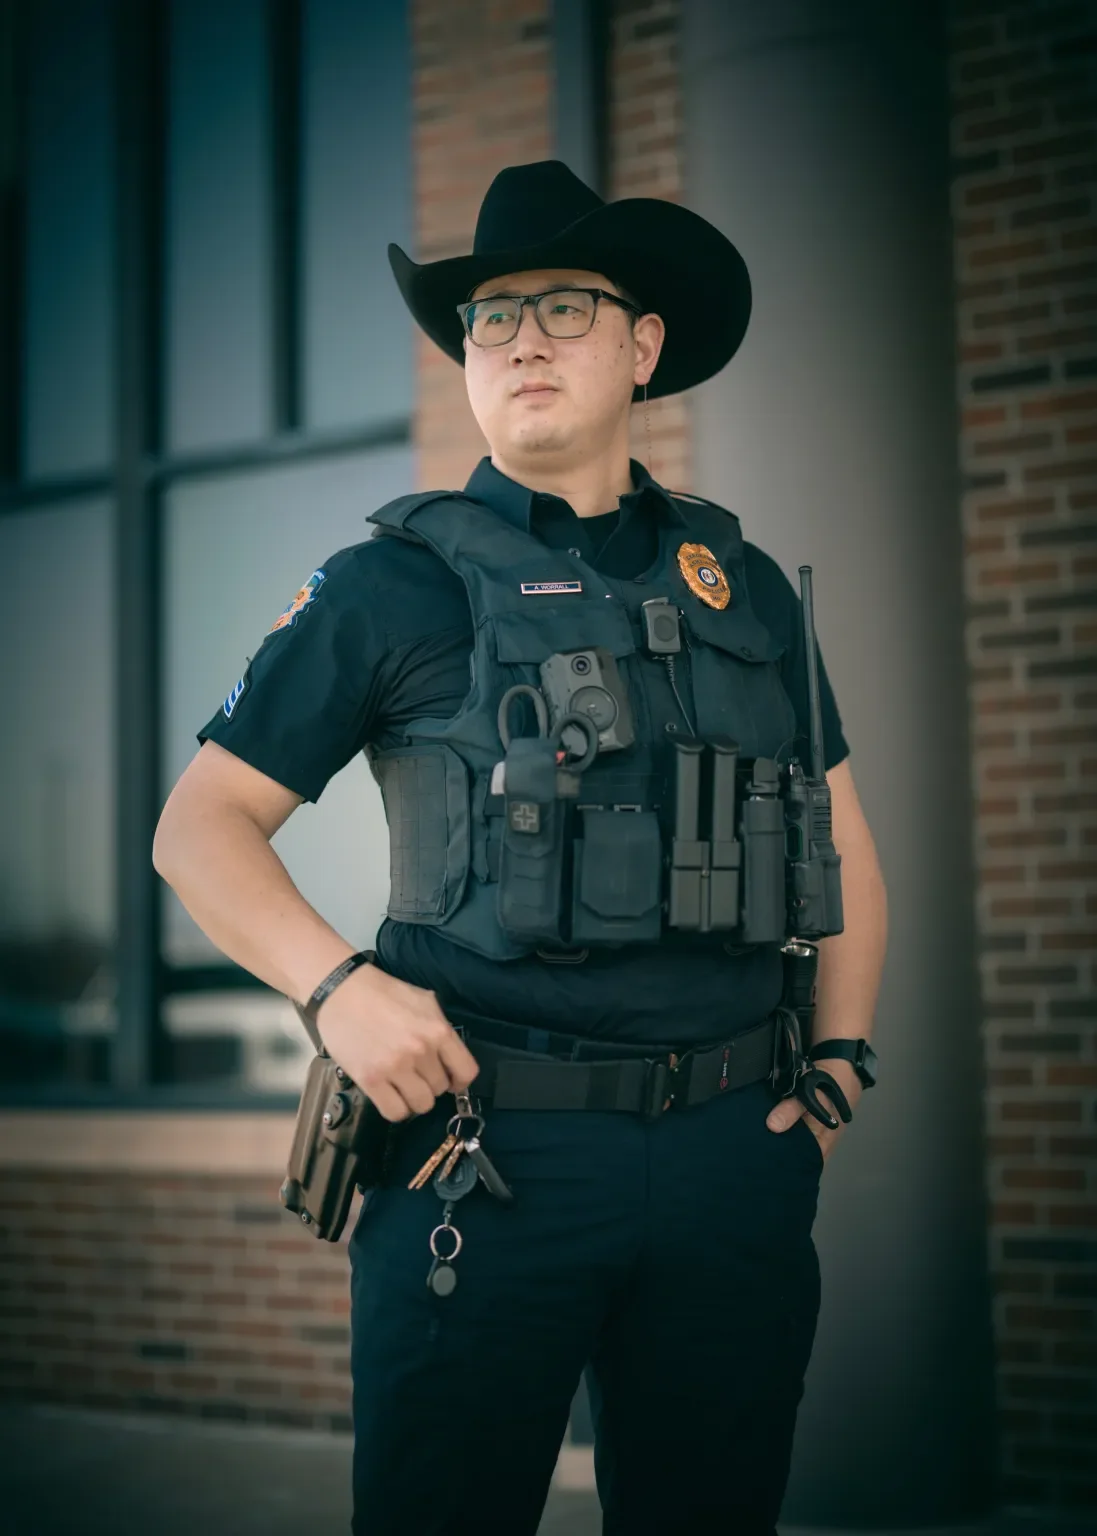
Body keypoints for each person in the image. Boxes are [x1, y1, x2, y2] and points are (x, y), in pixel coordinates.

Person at [153, 159, 888, 1536]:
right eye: (491, 317)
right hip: (486, 1159)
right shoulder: (393, 586)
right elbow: (201, 830)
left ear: (643, 345)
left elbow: (840, 833)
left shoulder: (751, 593)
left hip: (738, 1153)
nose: (523, 338)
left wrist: (837, 1065)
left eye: (563, 305)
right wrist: (335, 990)